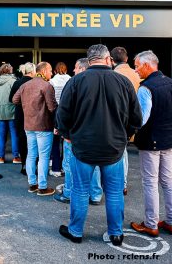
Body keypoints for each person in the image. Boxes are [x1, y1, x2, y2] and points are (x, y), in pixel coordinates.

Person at [56, 44, 142, 245]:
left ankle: (75, 232)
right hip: (113, 148)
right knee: (113, 191)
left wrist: (69, 136)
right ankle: (116, 234)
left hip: (83, 148)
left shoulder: (76, 82)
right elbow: (136, 118)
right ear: (107, 60)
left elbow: (62, 116)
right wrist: (124, 137)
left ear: (90, 60)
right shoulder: (123, 82)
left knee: (79, 190)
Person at [130, 50, 172, 237]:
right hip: (168, 140)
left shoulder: (146, 88)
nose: (135, 69)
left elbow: (141, 119)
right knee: (168, 181)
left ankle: (151, 224)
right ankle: (170, 221)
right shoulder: (170, 82)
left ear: (147, 65)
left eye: (137, 65)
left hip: (151, 142)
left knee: (150, 182)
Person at [54, 58, 103, 205]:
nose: (73, 70)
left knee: (69, 164)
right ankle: (95, 195)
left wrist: (64, 131)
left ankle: (68, 193)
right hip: (96, 133)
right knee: (94, 165)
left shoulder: (74, 83)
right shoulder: (102, 83)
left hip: (75, 133)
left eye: (75, 67)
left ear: (82, 68)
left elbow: (63, 110)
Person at [12, 62, 57, 196]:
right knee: (43, 156)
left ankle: (32, 184)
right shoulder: (46, 86)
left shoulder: (25, 85)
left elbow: (15, 100)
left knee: (31, 154)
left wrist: (27, 105)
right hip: (43, 126)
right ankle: (42, 187)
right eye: (50, 70)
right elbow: (52, 108)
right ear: (43, 71)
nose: (52, 73)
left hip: (28, 125)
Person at [111, 46, 141, 196]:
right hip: (133, 119)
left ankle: (113, 184)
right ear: (127, 59)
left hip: (115, 120)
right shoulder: (137, 74)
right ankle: (122, 184)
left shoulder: (112, 75)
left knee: (116, 153)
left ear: (111, 60)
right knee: (123, 152)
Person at [0, 63, 21, 164]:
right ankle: (16, 157)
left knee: (1, 134)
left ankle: (1, 157)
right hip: (11, 110)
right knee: (14, 134)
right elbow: (17, 96)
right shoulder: (13, 81)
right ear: (10, 71)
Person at [9, 63, 36, 175]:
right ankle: (33, 166)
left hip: (20, 114)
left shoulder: (17, 83)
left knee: (22, 139)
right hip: (33, 115)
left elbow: (11, 99)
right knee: (34, 141)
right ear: (32, 71)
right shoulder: (35, 83)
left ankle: (24, 165)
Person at [49, 62, 71, 177]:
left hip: (55, 113)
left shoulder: (52, 81)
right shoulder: (71, 80)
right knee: (67, 141)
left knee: (55, 142)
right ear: (66, 69)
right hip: (68, 113)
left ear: (55, 71)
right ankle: (65, 167)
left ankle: (56, 168)